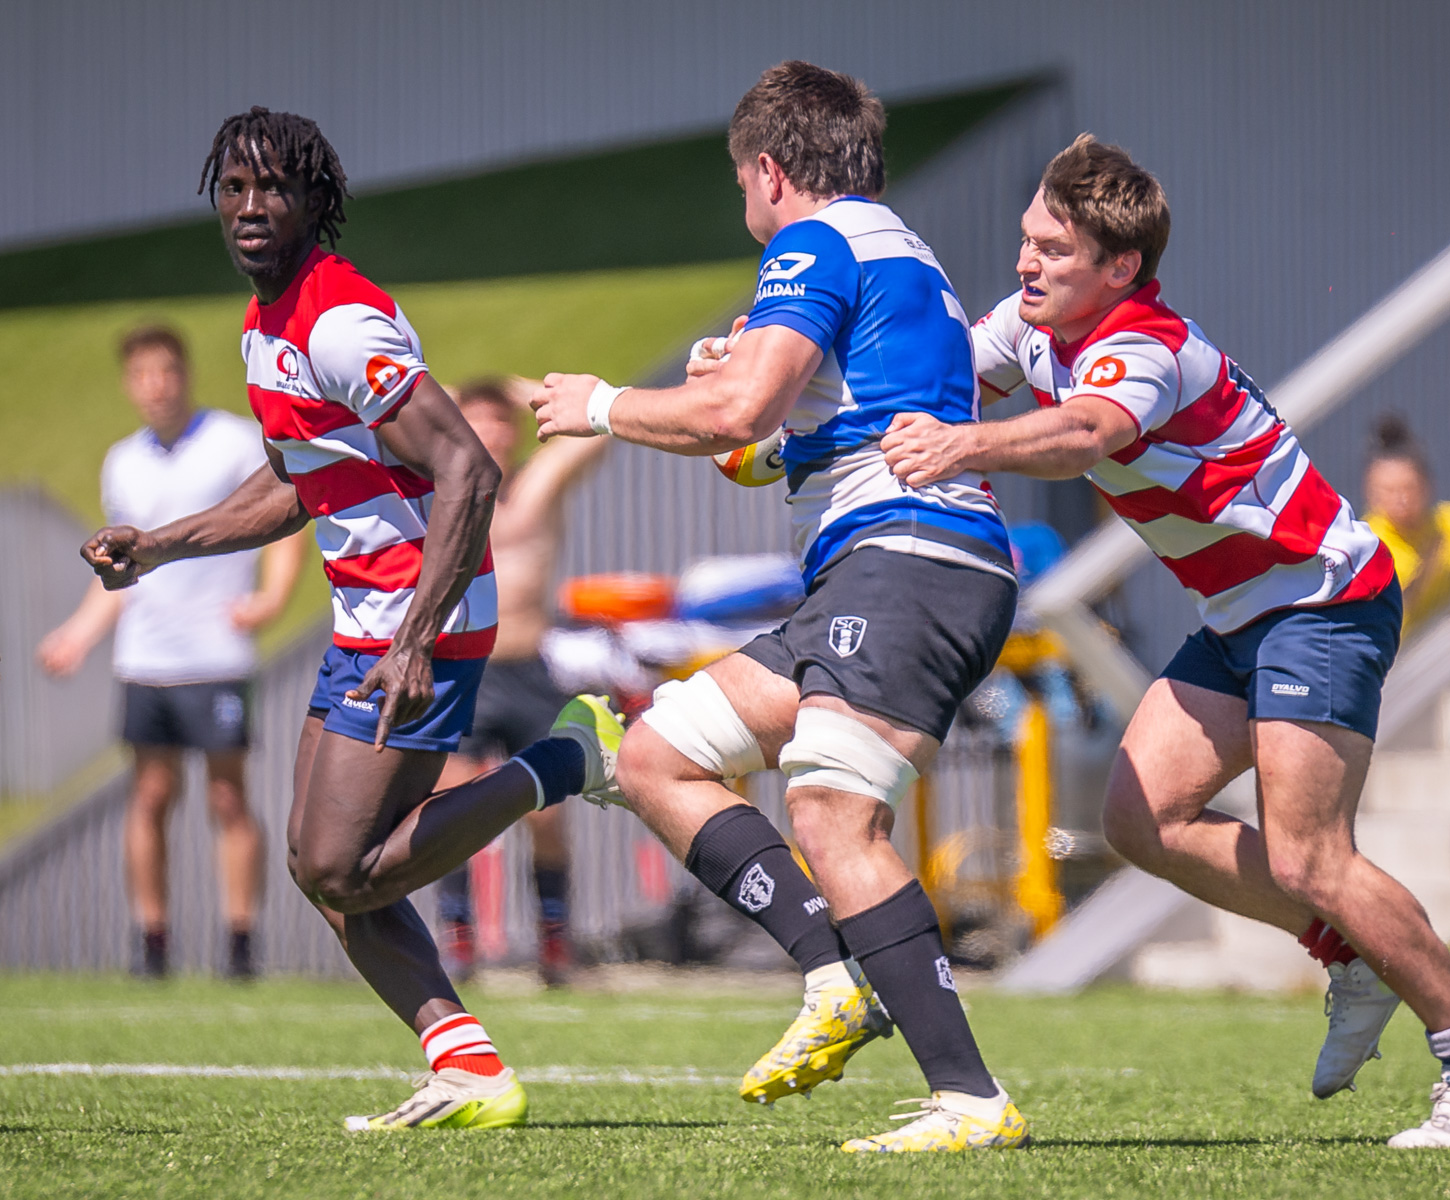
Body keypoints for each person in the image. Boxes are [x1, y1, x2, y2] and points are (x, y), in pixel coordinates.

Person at [877, 135, 1450, 1148]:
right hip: (1239, 613)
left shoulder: (1144, 347)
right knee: (1143, 819)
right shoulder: (1032, 323)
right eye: (1026, 242)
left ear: (1122, 268)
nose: (1026, 264)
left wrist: (963, 445)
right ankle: (1349, 954)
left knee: (1317, 851)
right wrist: (783, 371)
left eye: (1054, 250)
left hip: (1322, 599)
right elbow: (925, 374)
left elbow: (1086, 435)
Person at [78, 108, 622, 1132]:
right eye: (233, 188)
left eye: (272, 188)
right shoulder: (264, 327)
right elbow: (294, 488)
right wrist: (158, 545)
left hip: (426, 616)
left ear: (313, 201)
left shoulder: (338, 323)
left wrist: (417, 634)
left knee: (337, 866)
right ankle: (467, 1066)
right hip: (368, 616)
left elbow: (470, 466)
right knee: (321, 871)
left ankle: (565, 762)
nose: (248, 207)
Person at [531, 62, 1029, 1153]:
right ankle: (833, 981)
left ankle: (970, 1101)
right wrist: (742, 390)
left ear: (769, 171)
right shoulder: (894, 248)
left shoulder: (816, 243)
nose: (743, 205)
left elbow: (733, 415)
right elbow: (763, 446)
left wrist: (603, 405)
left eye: (740, 183)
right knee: (657, 756)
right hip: (880, 566)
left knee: (834, 813)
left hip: (911, 557)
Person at [38, 325, 305, 980]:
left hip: (216, 655)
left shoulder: (235, 440)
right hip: (145, 660)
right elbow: (120, 573)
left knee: (226, 800)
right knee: (151, 796)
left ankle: (241, 945)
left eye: (167, 372)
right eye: (143, 375)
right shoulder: (120, 462)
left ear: (184, 373)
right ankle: (152, 944)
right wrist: (78, 632)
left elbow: (287, 519)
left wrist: (271, 600)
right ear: (130, 384)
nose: (156, 386)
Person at [434, 377, 610, 985]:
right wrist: (452, 397)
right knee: (449, 805)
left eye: (501, 421)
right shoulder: (444, 485)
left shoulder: (536, 485)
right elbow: (384, 427)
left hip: (530, 668)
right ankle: (457, 937)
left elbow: (594, 433)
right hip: (465, 667)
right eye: (478, 422)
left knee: (546, 815)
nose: (493, 433)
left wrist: (518, 389)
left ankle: (554, 941)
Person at [1361, 414, 1450, 643]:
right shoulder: (1364, 545)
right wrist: (1429, 564)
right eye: (1388, 491)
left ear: (1428, 485)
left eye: (1408, 488)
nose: (1400, 499)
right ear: (1371, 494)